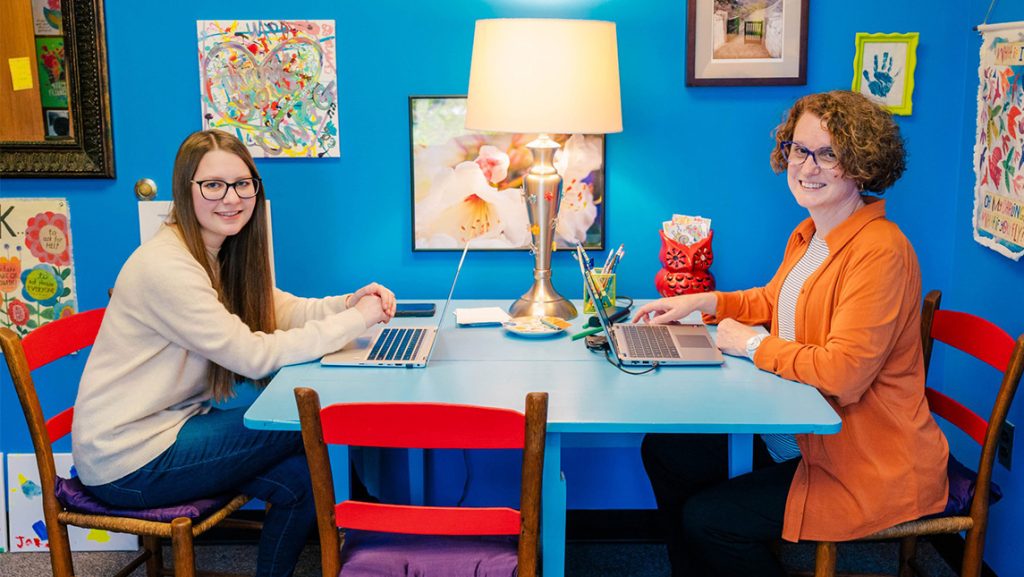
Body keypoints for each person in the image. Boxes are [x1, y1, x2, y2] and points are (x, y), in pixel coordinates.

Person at [632, 90, 950, 577]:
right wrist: (703, 303)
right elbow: (775, 301)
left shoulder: (881, 251)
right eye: (800, 150)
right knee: (665, 451)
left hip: (860, 458)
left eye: (829, 154)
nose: (807, 166)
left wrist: (751, 343)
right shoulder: (811, 234)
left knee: (709, 521)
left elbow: (844, 375)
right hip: (796, 434)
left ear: (861, 164)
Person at [72, 129, 396, 577]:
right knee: (315, 421)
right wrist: (356, 320)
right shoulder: (167, 266)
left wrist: (347, 304)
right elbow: (251, 356)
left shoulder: (215, 252)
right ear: (185, 190)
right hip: (128, 461)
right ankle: (385, 525)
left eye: (243, 184)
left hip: (172, 431)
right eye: (213, 185)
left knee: (301, 480)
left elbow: (278, 309)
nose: (231, 198)